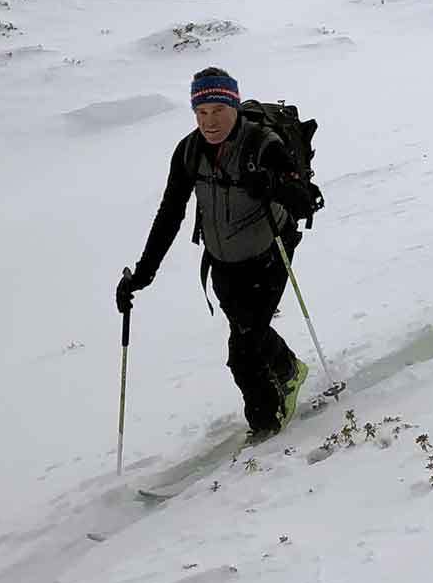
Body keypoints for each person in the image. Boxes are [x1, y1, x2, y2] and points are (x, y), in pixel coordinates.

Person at [114, 67, 318, 444]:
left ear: (234, 106)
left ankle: (268, 425)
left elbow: (306, 202)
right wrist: (143, 275)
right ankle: (289, 369)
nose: (209, 121)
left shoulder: (264, 144)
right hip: (222, 263)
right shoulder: (189, 151)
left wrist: (271, 185)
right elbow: (170, 213)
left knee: (243, 350)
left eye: (217, 110)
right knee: (247, 329)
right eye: (201, 112)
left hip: (269, 253)